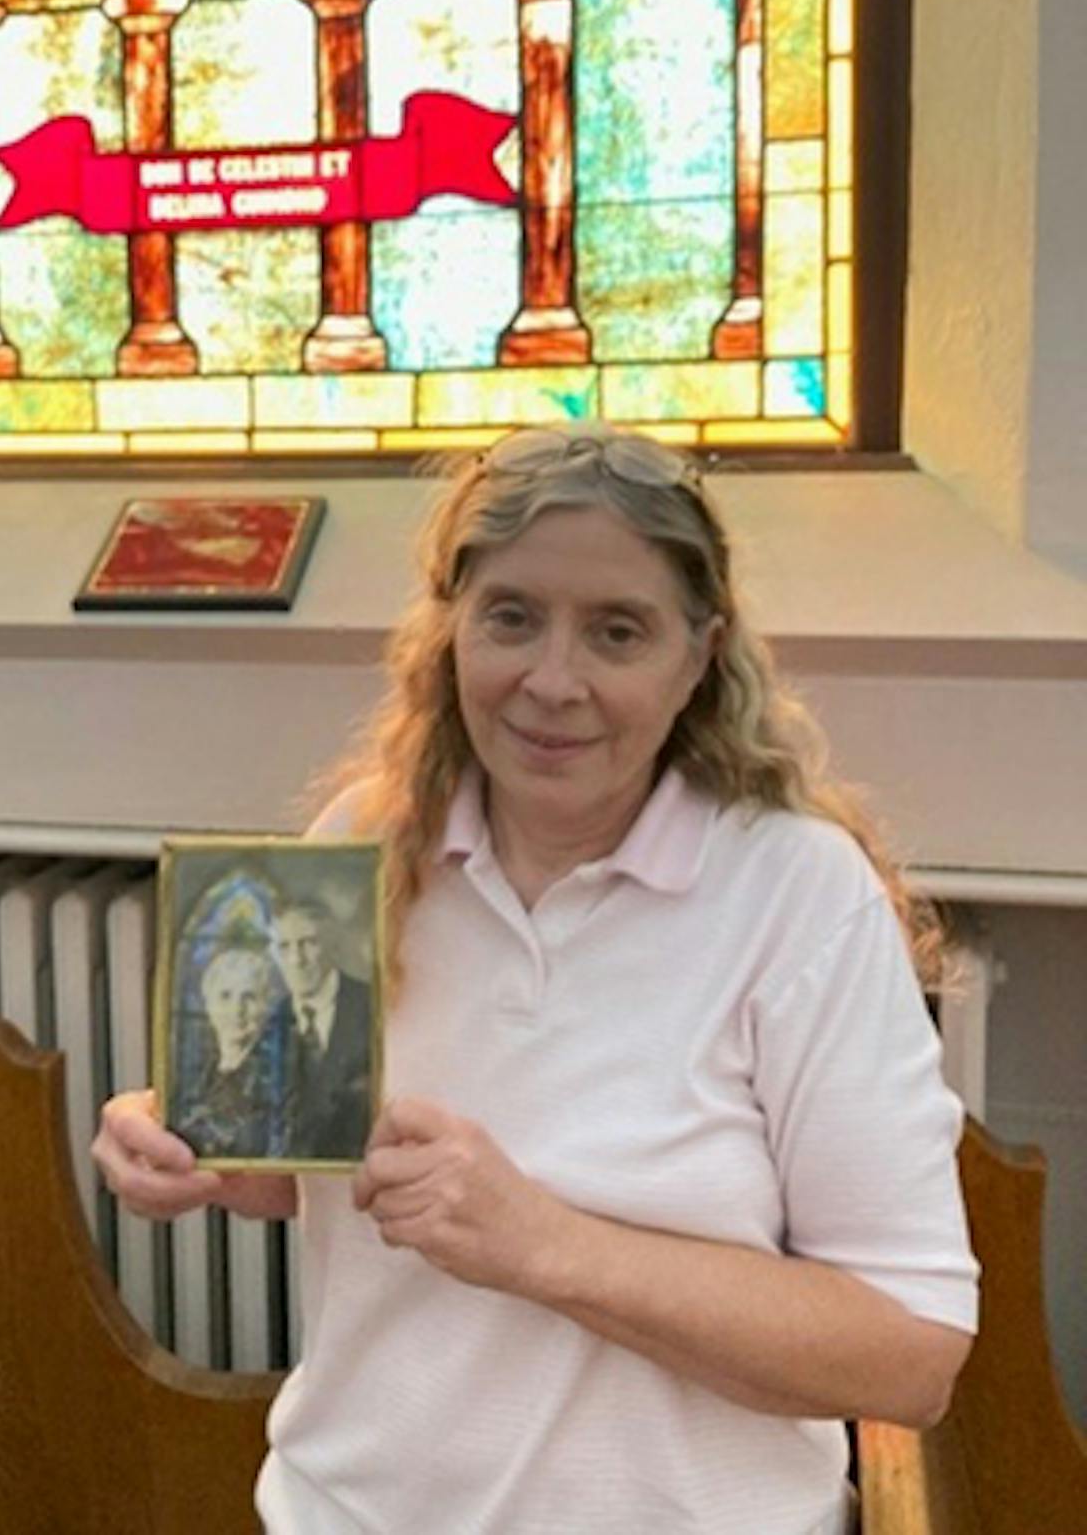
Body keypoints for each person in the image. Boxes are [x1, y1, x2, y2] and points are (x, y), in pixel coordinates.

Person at [94, 425, 978, 1535]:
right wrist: (188, 1146)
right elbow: (288, 1168)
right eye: (509, 616)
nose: (551, 682)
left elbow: (907, 1355)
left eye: (616, 632)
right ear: (450, 629)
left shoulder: (796, 891)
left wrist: (544, 1245)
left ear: (697, 655)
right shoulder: (362, 842)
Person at [270, 894, 372, 1160]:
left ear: (333, 945)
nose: (296, 959)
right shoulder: (267, 1022)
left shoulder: (372, 1006)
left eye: (308, 943)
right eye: (284, 947)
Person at [168, 941, 285, 1161]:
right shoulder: (194, 1076)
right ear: (208, 1005)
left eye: (249, 997)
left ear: (267, 1006)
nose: (236, 1010)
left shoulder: (277, 1081)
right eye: (225, 996)